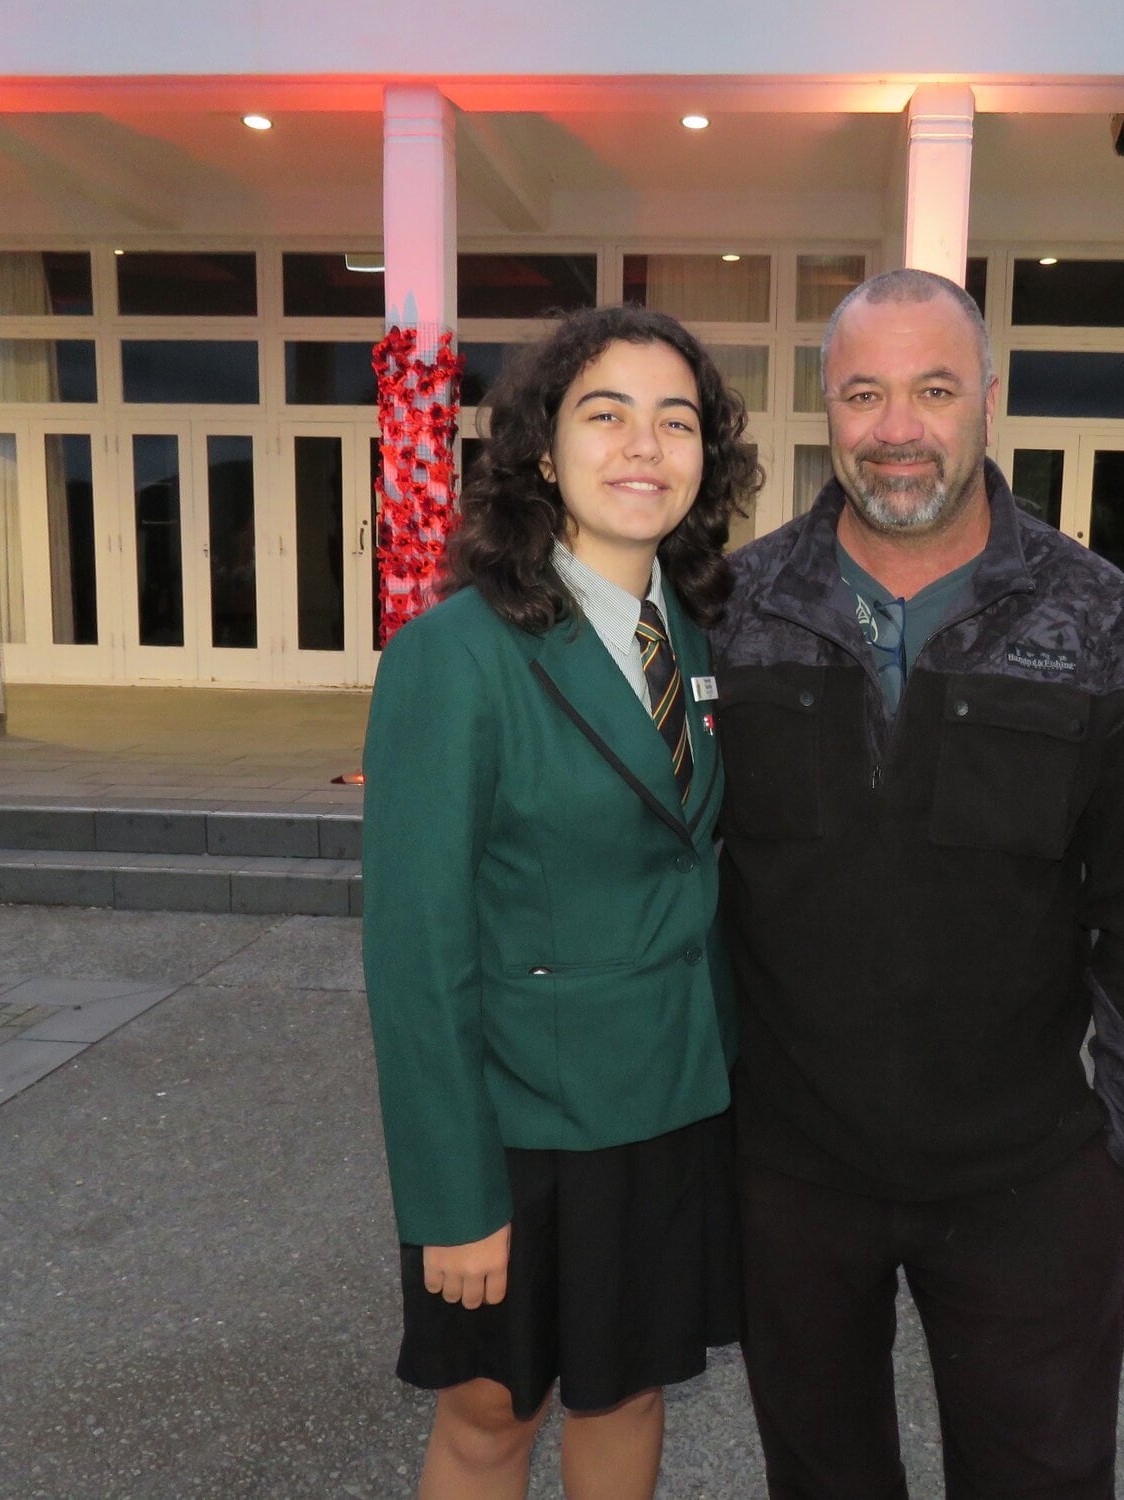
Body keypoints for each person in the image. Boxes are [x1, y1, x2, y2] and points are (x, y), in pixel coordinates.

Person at [710, 268, 1124, 1500]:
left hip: (1027, 1186)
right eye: (865, 392)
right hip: (790, 1176)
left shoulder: (1097, 622)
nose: (896, 428)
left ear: (988, 398)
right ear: (823, 409)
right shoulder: (732, 609)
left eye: (932, 389)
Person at [361, 303, 762, 1500]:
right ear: (542, 449)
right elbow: (414, 953)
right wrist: (453, 1200)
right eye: (607, 414)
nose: (644, 445)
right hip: (524, 1128)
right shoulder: (459, 654)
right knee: (491, 1418)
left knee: (630, 1395)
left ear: (706, 459)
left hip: (672, 1106)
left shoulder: (698, 638)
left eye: (674, 420)